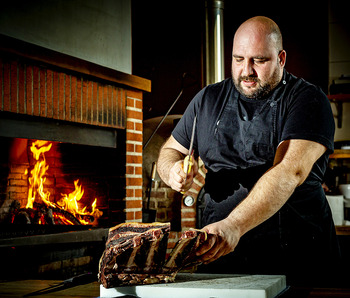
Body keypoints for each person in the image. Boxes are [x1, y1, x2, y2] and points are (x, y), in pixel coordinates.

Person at [157, 16, 340, 286]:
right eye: (239, 59)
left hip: (297, 260)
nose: (247, 71)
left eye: (259, 60)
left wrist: (235, 225)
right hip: (221, 258)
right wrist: (172, 170)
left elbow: (290, 170)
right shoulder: (208, 100)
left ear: (281, 58)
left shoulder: (308, 100)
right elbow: (170, 150)